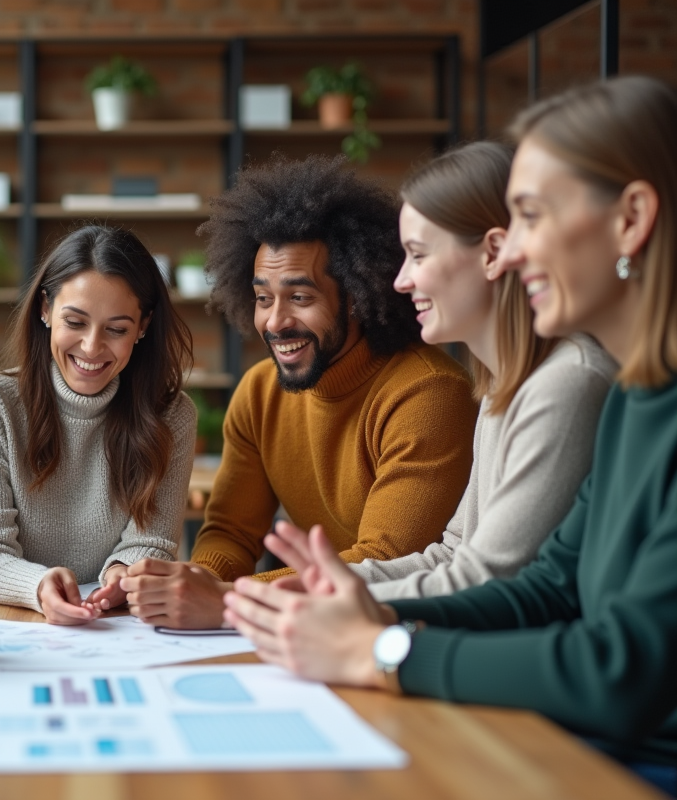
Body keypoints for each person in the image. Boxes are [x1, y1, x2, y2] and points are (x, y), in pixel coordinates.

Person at [223, 76, 677, 796]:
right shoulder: (632, 398)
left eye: (531, 217)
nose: (512, 250)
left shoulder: (586, 385)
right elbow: (544, 588)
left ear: (631, 220)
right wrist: (353, 613)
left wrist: (381, 646)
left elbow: (617, 669)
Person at [122, 155, 479, 629]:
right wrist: (195, 580)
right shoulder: (259, 392)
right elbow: (231, 532)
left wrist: (229, 597)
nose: (274, 322)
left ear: (354, 296)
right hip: (310, 621)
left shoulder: (428, 394)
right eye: (263, 298)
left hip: (402, 630)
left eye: (301, 297)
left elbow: (387, 557)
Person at [353, 142, 617, 600]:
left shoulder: (565, 384)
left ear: (493, 252)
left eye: (418, 255)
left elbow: (488, 579)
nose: (401, 280)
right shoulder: (502, 388)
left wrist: (327, 597)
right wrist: (303, 588)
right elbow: (455, 552)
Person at [0, 226, 197, 625]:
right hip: (17, 620)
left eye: (116, 329)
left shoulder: (172, 415)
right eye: (75, 321)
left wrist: (124, 575)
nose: (91, 347)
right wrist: (38, 586)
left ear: (142, 326)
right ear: (45, 309)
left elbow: (152, 540)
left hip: (116, 623)